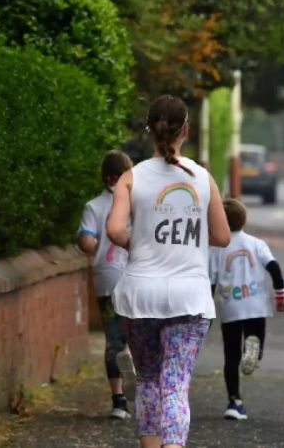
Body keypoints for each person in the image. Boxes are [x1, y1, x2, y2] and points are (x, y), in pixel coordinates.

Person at [107, 95, 231, 448]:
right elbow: (222, 235)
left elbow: (115, 230)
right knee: (175, 384)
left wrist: (140, 241)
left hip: (139, 295)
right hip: (188, 297)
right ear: (186, 131)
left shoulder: (130, 178)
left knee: (147, 378)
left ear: (149, 131)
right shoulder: (202, 178)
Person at [208, 198, 284, 421]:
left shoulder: (215, 249)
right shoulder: (256, 243)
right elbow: (274, 268)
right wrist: (280, 295)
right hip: (255, 305)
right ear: (244, 220)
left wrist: (207, 312)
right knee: (255, 341)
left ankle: (235, 401)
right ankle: (253, 352)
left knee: (230, 356)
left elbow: (210, 283)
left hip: (231, 308)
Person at [76, 150, 136, 419]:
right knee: (137, 333)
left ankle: (118, 400)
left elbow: (86, 242)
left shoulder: (93, 206)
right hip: (137, 277)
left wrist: (97, 246)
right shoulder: (138, 205)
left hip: (107, 278)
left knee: (112, 337)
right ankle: (131, 358)